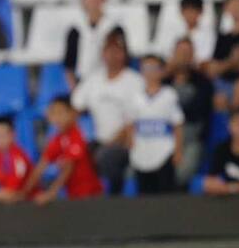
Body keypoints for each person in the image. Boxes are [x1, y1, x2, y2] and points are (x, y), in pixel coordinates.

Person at [72, 29, 142, 194]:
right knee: (75, 154)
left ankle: (113, 199)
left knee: (107, 156)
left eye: (117, 51)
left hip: (126, 143)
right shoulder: (94, 79)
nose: (112, 55)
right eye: (108, 50)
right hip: (99, 141)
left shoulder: (135, 81)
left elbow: (134, 122)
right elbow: (75, 107)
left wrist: (111, 143)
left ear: (124, 54)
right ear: (103, 54)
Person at [22, 95, 103, 203]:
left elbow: (68, 168)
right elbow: (42, 165)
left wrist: (51, 193)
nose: (57, 118)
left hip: (91, 197)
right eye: (53, 113)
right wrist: (24, 192)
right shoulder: (57, 139)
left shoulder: (76, 137)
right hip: (73, 196)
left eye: (61, 113)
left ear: (73, 114)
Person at [127, 54, 184, 194]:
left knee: (165, 194)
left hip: (164, 153)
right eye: (146, 68)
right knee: (144, 195)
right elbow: (130, 124)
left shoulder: (169, 95)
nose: (150, 71)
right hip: (141, 153)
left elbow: (177, 124)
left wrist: (178, 151)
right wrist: (131, 144)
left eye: (154, 68)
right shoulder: (135, 97)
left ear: (162, 71)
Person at [166, 36, 214, 185]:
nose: (183, 56)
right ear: (173, 54)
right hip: (165, 136)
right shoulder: (164, 82)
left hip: (191, 137)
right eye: (180, 52)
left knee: (182, 172)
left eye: (187, 52)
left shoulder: (203, 83)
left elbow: (197, 112)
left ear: (193, 55)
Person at [64, 0, 116, 85]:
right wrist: (75, 88)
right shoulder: (75, 29)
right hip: (83, 80)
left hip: (108, 80)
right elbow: (69, 64)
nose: (94, 1)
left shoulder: (114, 28)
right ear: (83, 0)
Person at [207, 0, 239, 86]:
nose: (236, 8)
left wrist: (224, 65)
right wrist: (232, 62)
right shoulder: (222, 38)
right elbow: (212, 69)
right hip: (221, 85)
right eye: (233, 4)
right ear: (227, 8)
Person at [204, 107, 239, 195]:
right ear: (229, 126)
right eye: (237, 123)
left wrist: (230, 188)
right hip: (226, 201)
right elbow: (210, 181)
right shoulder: (221, 149)